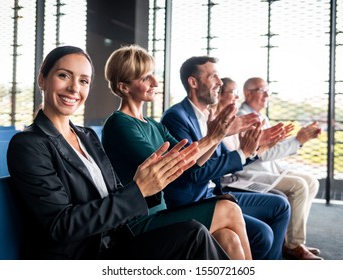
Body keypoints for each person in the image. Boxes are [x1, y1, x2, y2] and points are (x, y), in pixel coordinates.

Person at [6, 45, 230, 260]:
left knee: (194, 233)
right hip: (83, 254)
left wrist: (146, 185)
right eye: (64, 75)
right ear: (42, 79)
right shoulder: (29, 144)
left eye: (83, 81)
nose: (74, 88)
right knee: (193, 236)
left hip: (113, 240)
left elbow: (114, 192)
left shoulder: (86, 136)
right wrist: (140, 189)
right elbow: (62, 225)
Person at [102, 45, 252, 260]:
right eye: (145, 78)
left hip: (161, 212)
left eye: (153, 75)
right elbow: (170, 164)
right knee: (229, 209)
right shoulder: (119, 124)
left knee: (229, 237)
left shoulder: (153, 125)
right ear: (124, 87)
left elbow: (191, 160)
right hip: (136, 222)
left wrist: (217, 136)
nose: (155, 82)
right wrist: (213, 137)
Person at [160, 56, 291, 260]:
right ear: (193, 83)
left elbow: (220, 162)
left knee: (280, 206)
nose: (220, 83)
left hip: (214, 193)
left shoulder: (210, 116)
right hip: (193, 200)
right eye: (213, 76)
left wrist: (254, 148)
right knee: (263, 234)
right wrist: (239, 149)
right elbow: (196, 172)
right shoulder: (176, 117)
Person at [237, 76, 323, 260]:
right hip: (248, 174)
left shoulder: (261, 116)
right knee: (299, 185)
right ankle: (293, 245)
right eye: (262, 90)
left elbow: (272, 146)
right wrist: (297, 141)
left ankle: (292, 239)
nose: (267, 94)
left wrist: (300, 138)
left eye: (268, 90)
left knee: (312, 182)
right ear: (247, 93)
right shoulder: (244, 117)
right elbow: (263, 152)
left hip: (268, 169)